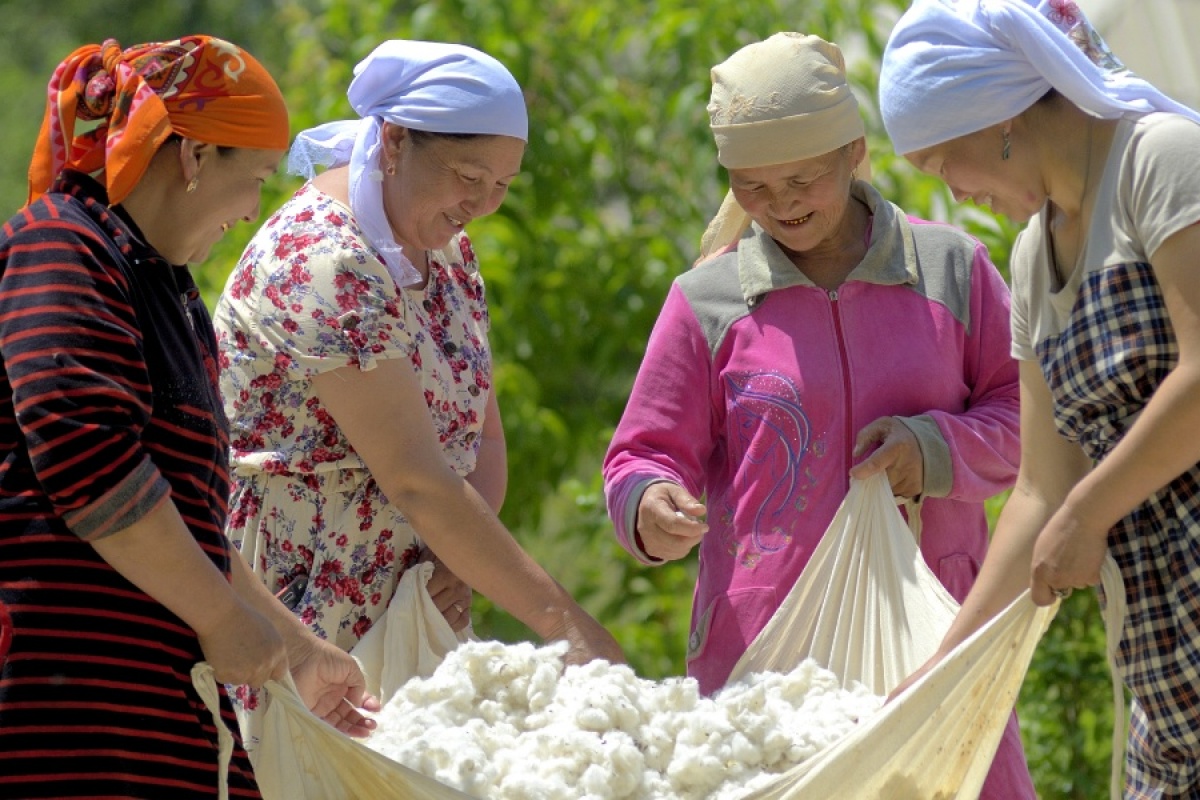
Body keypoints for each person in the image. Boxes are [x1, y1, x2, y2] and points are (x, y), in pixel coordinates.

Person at [601, 31, 1035, 798]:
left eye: (802, 179)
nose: (782, 206)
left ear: (854, 153)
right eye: (755, 189)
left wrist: (932, 448)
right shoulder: (707, 301)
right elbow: (643, 452)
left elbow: (1027, 420)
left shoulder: (951, 270)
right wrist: (648, 501)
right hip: (767, 643)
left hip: (931, 627)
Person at [213, 38, 625, 754]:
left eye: (503, 185)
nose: (483, 205)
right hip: (307, 616)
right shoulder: (323, 260)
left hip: (418, 611)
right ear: (396, 141)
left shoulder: (448, 256)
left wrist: (449, 565)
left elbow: (480, 439)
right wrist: (568, 628)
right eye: (469, 176)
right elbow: (417, 480)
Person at [0, 36, 376, 799]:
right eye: (257, 181)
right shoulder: (62, 244)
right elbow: (89, 462)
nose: (251, 213)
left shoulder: (160, 286)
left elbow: (185, 517)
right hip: (63, 713)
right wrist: (220, 619)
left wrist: (297, 648)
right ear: (194, 157)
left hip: (142, 713)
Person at [878, 0, 1200, 795]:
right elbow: (1038, 490)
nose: (955, 196)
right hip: (1165, 657)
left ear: (1000, 121)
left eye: (945, 167)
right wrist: (941, 674)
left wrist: (1087, 517)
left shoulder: (1159, 161)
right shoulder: (1029, 259)